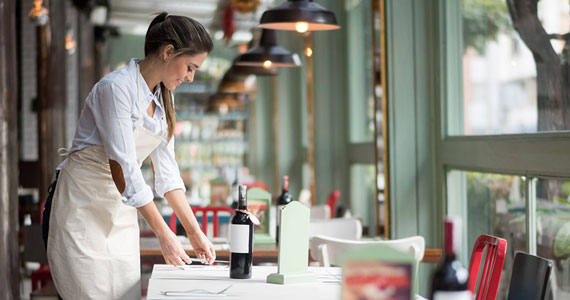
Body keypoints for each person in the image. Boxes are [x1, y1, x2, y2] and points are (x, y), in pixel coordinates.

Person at [42, 12, 215, 300]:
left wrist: (194, 232)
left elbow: (168, 175)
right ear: (168, 51)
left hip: (120, 210)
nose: (190, 77)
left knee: (124, 293)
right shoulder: (115, 88)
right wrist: (163, 233)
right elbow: (124, 169)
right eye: (190, 67)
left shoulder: (163, 99)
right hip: (81, 208)